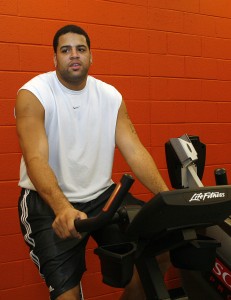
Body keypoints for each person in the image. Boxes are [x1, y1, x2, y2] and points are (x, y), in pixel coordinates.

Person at [15, 24, 169, 300]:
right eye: (66, 50)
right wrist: (63, 208)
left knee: (163, 247)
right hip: (48, 202)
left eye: (81, 49)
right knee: (67, 297)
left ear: (90, 56)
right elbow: (35, 157)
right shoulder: (34, 94)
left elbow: (134, 151)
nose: (74, 55)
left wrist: (168, 199)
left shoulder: (110, 96)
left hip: (102, 196)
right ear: (55, 59)